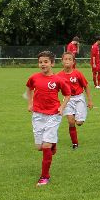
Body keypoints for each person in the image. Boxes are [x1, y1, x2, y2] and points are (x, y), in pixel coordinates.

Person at [25, 51, 71, 186]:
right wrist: (30, 103)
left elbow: (67, 94)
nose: (43, 64)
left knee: (46, 146)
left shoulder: (58, 80)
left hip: (53, 115)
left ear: (52, 63)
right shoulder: (34, 78)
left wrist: (62, 107)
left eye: (46, 62)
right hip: (38, 115)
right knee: (39, 147)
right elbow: (29, 88)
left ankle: (45, 176)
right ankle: (53, 144)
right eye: (40, 62)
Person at [58, 51, 93, 149]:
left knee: (79, 123)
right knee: (71, 122)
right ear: (62, 61)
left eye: (70, 59)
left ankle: (79, 115)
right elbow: (54, 89)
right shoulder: (59, 76)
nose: (67, 61)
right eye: (65, 59)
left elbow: (86, 86)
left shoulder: (77, 73)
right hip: (67, 99)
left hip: (79, 98)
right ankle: (75, 143)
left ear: (73, 62)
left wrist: (89, 100)